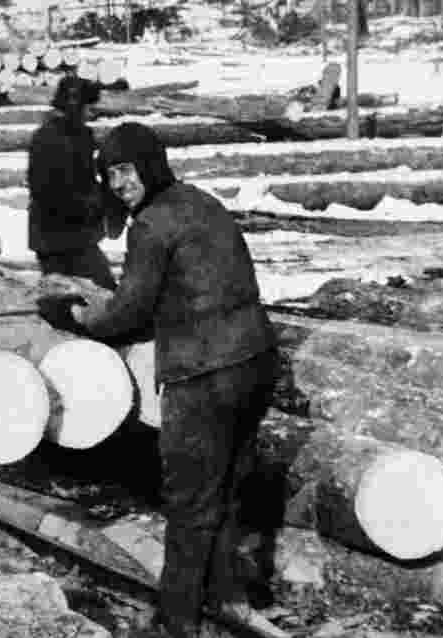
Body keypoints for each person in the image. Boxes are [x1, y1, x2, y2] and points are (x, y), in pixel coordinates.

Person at [36, 122, 284, 638]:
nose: (120, 183)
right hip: (255, 359)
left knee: (190, 502)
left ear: (151, 164)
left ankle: (177, 624)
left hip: (204, 375)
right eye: (110, 175)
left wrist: (78, 319)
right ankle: (227, 597)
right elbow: (191, 286)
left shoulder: (149, 225)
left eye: (126, 170)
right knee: (227, 490)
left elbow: (128, 312)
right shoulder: (202, 201)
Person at [26, 74, 122, 291]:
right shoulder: (52, 139)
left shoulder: (76, 135)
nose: (92, 113)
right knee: (99, 292)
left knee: (93, 294)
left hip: (71, 235)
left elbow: (85, 180)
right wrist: (93, 205)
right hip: (59, 237)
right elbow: (49, 192)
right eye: (89, 107)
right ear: (75, 105)